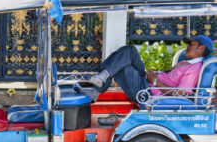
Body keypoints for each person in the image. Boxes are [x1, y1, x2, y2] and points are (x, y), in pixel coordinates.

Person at [75, 35, 213, 104]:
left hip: (147, 92)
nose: (187, 46)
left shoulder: (194, 68)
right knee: (128, 52)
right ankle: (100, 80)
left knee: (125, 60)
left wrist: (156, 80)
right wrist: (155, 74)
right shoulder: (186, 62)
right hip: (147, 83)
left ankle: (98, 85)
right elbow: (171, 79)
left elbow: (182, 94)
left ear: (201, 49)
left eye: (192, 44)